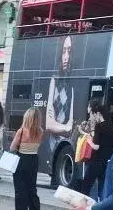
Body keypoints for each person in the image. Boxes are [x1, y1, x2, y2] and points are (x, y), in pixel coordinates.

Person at [41, 35, 75, 175]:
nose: (66, 57)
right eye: (63, 51)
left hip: (62, 141)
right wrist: (66, 127)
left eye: (70, 51)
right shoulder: (54, 81)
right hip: (51, 146)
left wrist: (64, 127)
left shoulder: (74, 86)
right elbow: (49, 124)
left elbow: (70, 126)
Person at [77, 100, 113, 201]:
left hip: (96, 160)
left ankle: (84, 205)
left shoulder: (99, 126)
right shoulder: (112, 127)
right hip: (107, 161)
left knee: (86, 184)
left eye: (95, 115)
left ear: (98, 114)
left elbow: (96, 146)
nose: (94, 117)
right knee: (102, 187)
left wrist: (88, 140)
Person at [11, 106, 46, 210]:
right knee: (31, 188)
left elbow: (12, 147)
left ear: (27, 117)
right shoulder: (40, 131)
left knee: (20, 189)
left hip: (21, 160)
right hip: (34, 160)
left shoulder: (21, 131)